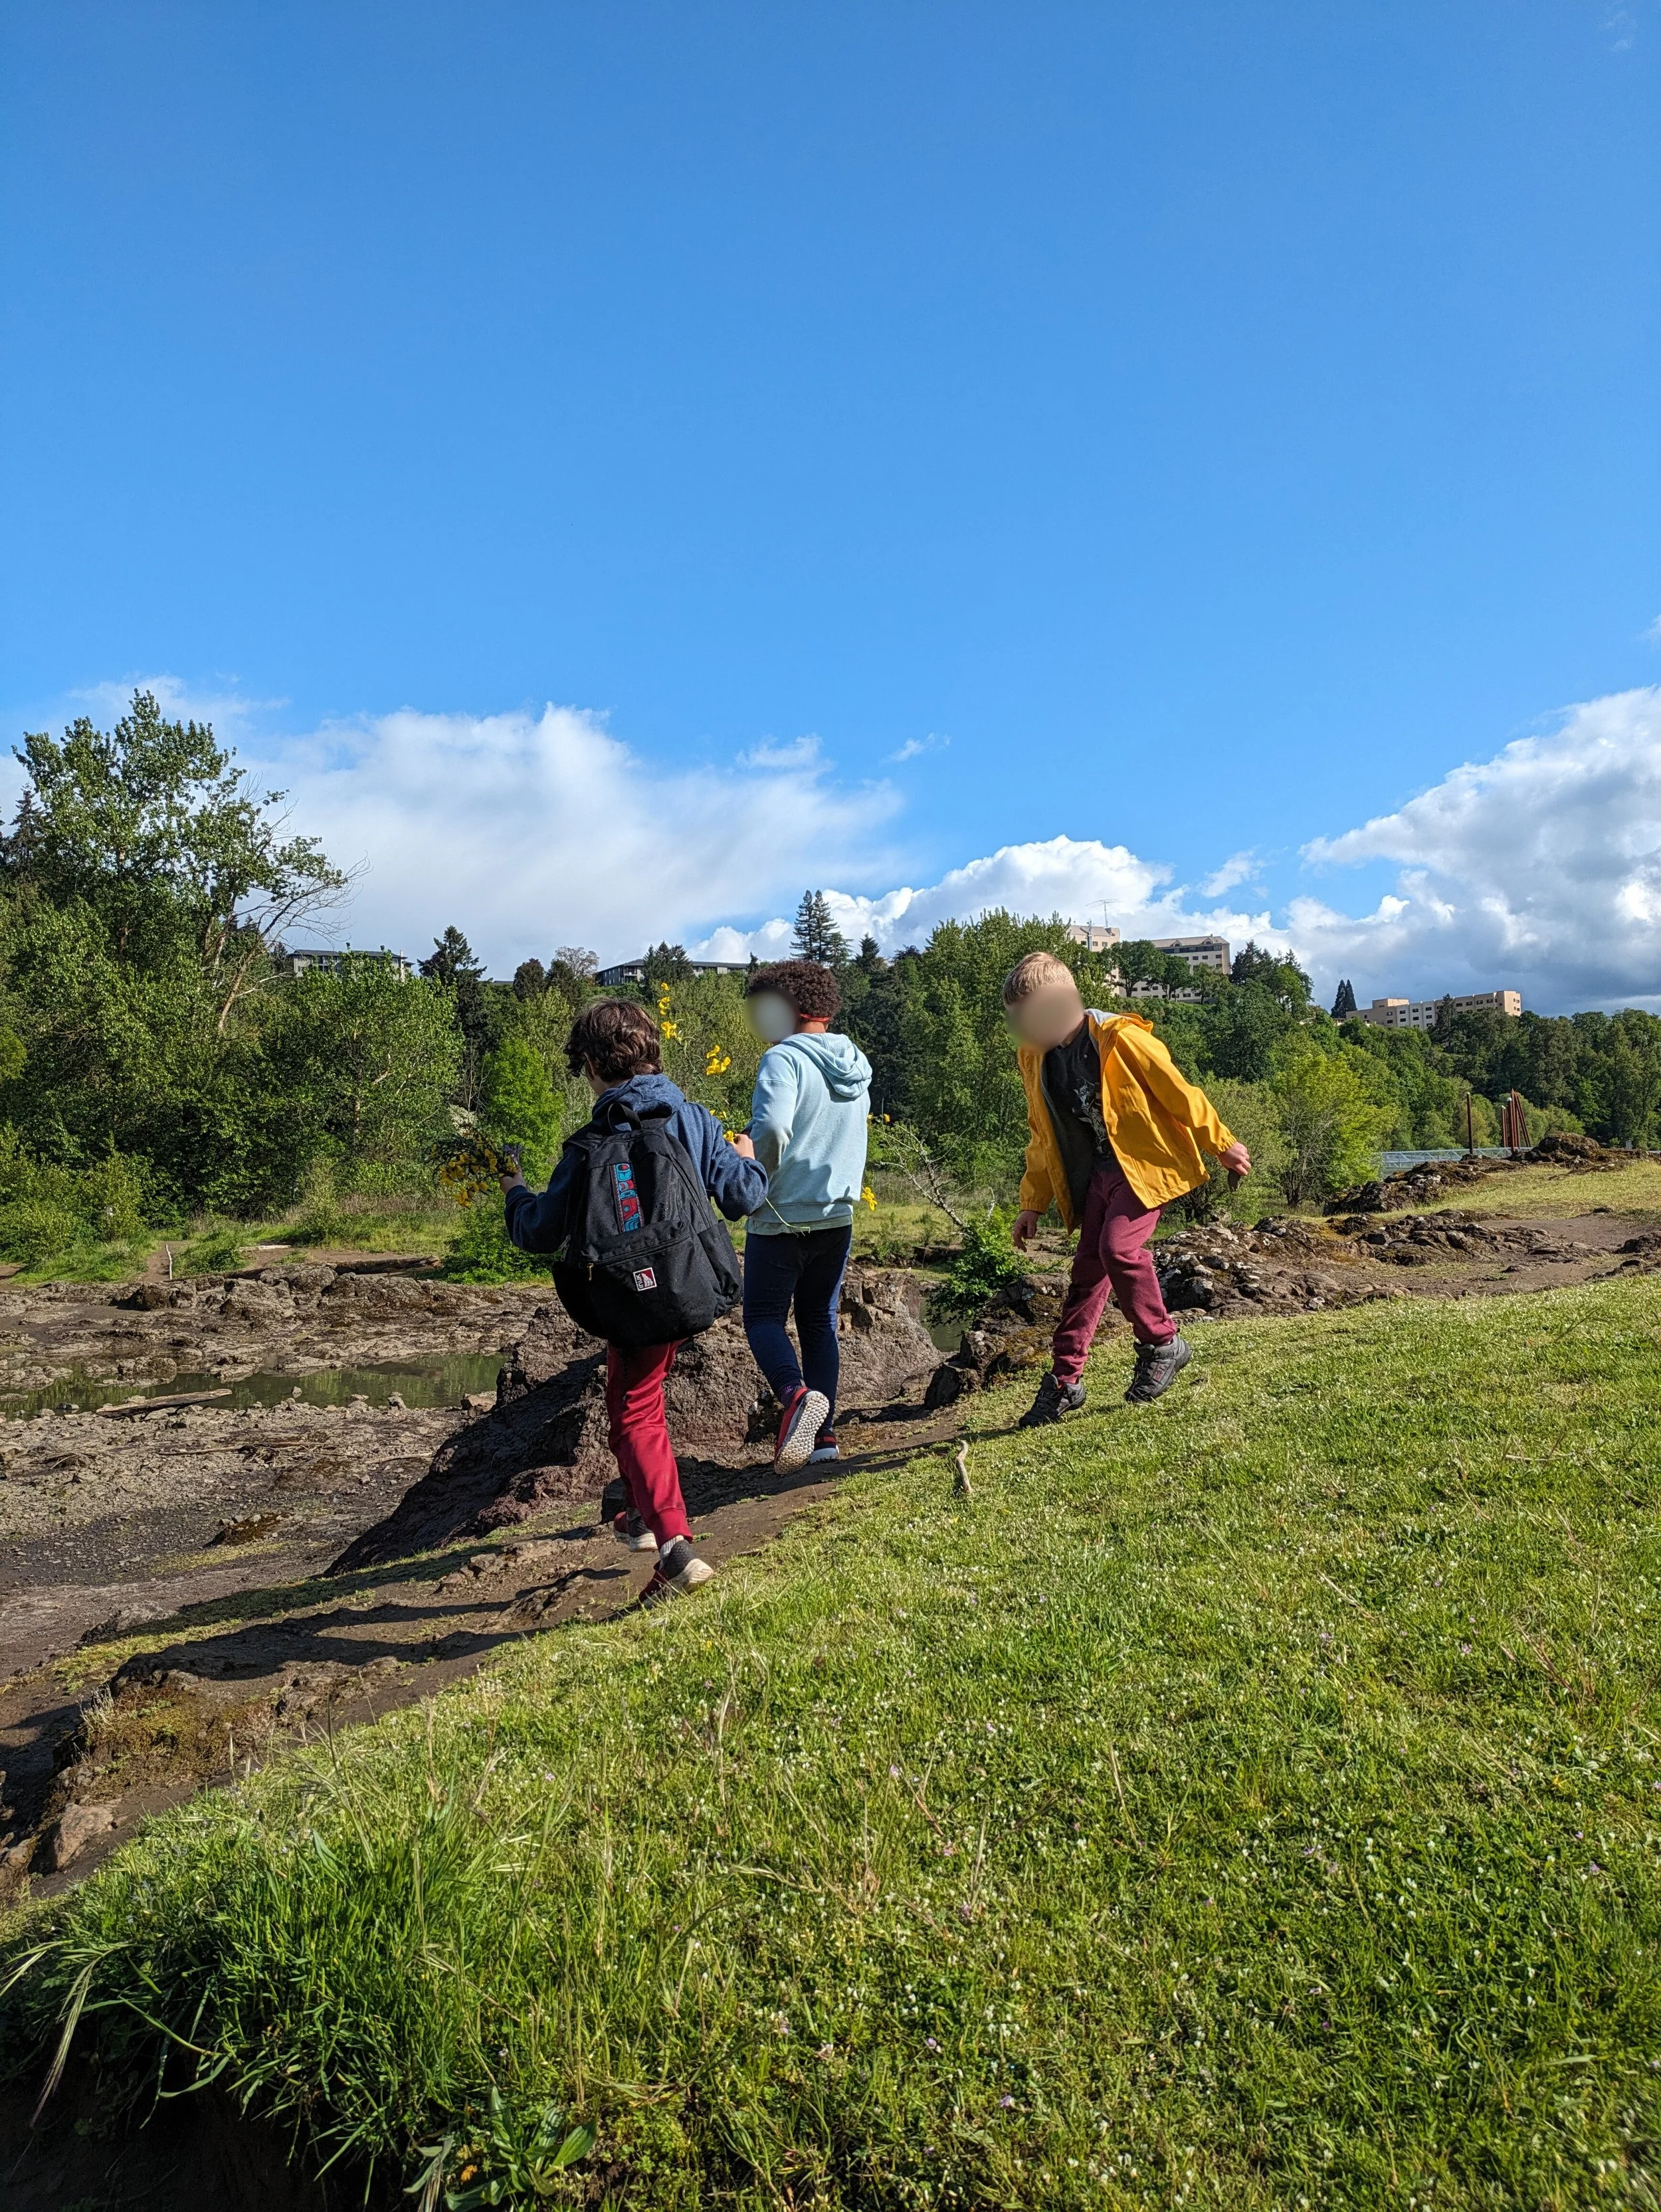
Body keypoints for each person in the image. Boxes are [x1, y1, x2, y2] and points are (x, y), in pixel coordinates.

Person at [500, 997, 767, 1600]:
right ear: (652, 1052)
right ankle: (640, 1515)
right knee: (634, 1399)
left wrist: (513, 1191)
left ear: (593, 1064)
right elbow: (742, 1196)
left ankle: (674, 1548)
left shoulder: (586, 1144)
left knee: (635, 1413)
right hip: (691, 1285)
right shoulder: (693, 1119)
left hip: (628, 1299)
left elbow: (537, 1231)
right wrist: (748, 1156)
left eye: (584, 1069)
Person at [1002, 950, 1250, 1419]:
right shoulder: (1034, 1058)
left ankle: (1163, 1343)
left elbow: (1179, 1092)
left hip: (1143, 1167)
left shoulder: (1122, 1038)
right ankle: (1065, 1381)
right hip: (1097, 1173)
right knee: (1086, 1277)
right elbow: (1041, 1132)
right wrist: (1032, 1203)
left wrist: (1221, 1144)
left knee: (1119, 1249)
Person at [740, 959, 872, 1472]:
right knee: (819, 1320)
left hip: (780, 1214)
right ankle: (825, 1437)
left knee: (762, 1318)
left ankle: (796, 1398)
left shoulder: (783, 1060)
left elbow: (771, 1127)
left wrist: (752, 1165)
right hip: (837, 1215)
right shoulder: (855, 1062)